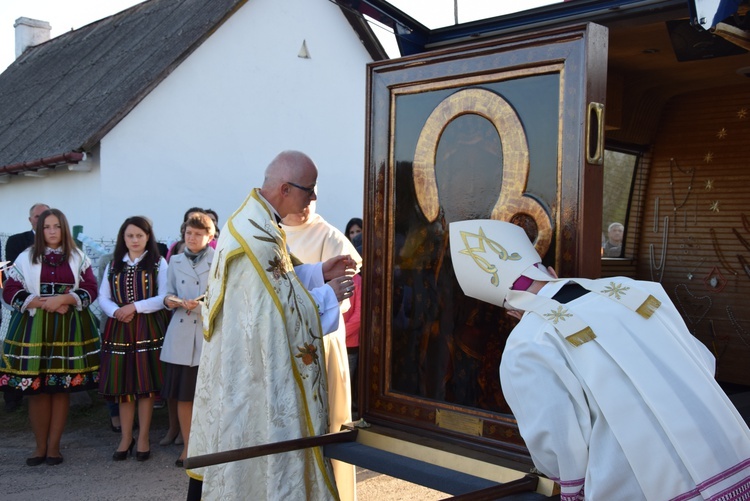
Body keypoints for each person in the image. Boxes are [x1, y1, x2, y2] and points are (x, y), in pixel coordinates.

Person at [449, 219, 750, 501]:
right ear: (552, 272)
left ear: (511, 311)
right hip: (729, 454)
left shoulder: (529, 341)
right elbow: (703, 362)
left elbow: (556, 440)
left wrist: (570, 482)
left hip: (637, 485)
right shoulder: (638, 291)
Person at [187, 150, 356, 501]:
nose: (313, 197)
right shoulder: (256, 234)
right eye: (309, 189)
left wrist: (317, 272)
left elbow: (277, 281)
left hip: (245, 363)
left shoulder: (255, 222)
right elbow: (277, 312)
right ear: (284, 188)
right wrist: (327, 295)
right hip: (251, 369)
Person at [0, 208, 100, 466]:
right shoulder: (25, 257)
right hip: (35, 327)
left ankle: (54, 448)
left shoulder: (77, 256)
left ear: (63, 229)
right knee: (37, 390)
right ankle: (39, 447)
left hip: (68, 328)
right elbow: (10, 290)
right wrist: (46, 304)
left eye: (56, 226)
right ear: (40, 229)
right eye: (47, 227)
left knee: (60, 388)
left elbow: (90, 288)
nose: (52, 231)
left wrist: (66, 299)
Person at [282, 202, 362, 501]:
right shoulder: (272, 235)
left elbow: (346, 293)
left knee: (326, 419)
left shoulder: (329, 235)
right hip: (285, 341)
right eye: (305, 190)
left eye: (314, 192)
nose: (308, 200)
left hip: (323, 337)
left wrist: (324, 301)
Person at [98, 216, 169, 462]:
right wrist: (117, 311)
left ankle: (143, 438)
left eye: (140, 235)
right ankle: (126, 437)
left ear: (148, 237)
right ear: (123, 238)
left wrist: (134, 308)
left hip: (147, 328)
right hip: (119, 328)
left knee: (144, 387)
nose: (135, 240)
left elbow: (164, 296)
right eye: (130, 236)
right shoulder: (114, 264)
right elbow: (103, 296)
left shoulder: (159, 263)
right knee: (123, 388)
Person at [161, 212, 215, 468]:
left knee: (208, 395)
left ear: (209, 236)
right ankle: (188, 447)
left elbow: (223, 298)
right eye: (188, 233)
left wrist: (199, 306)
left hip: (207, 334)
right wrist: (174, 301)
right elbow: (167, 293)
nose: (192, 238)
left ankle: (210, 446)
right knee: (184, 396)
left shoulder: (218, 260)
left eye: (198, 233)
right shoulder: (175, 260)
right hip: (181, 335)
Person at [3, 202, 50, 412]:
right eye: (38, 216)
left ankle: (46, 391)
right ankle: (13, 398)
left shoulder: (61, 242)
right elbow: (14, 272)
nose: (41, 220)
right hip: (25, 302)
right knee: (18, 351)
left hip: (53, 307)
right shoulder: (17, 241)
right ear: (30, 219)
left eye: (46, 216)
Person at [343, 233, 363, 414]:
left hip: (349, 343)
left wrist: (340, 333)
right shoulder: (332, 277)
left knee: (346, 383)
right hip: (331, 341)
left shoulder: (357, 280)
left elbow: (359, 315)